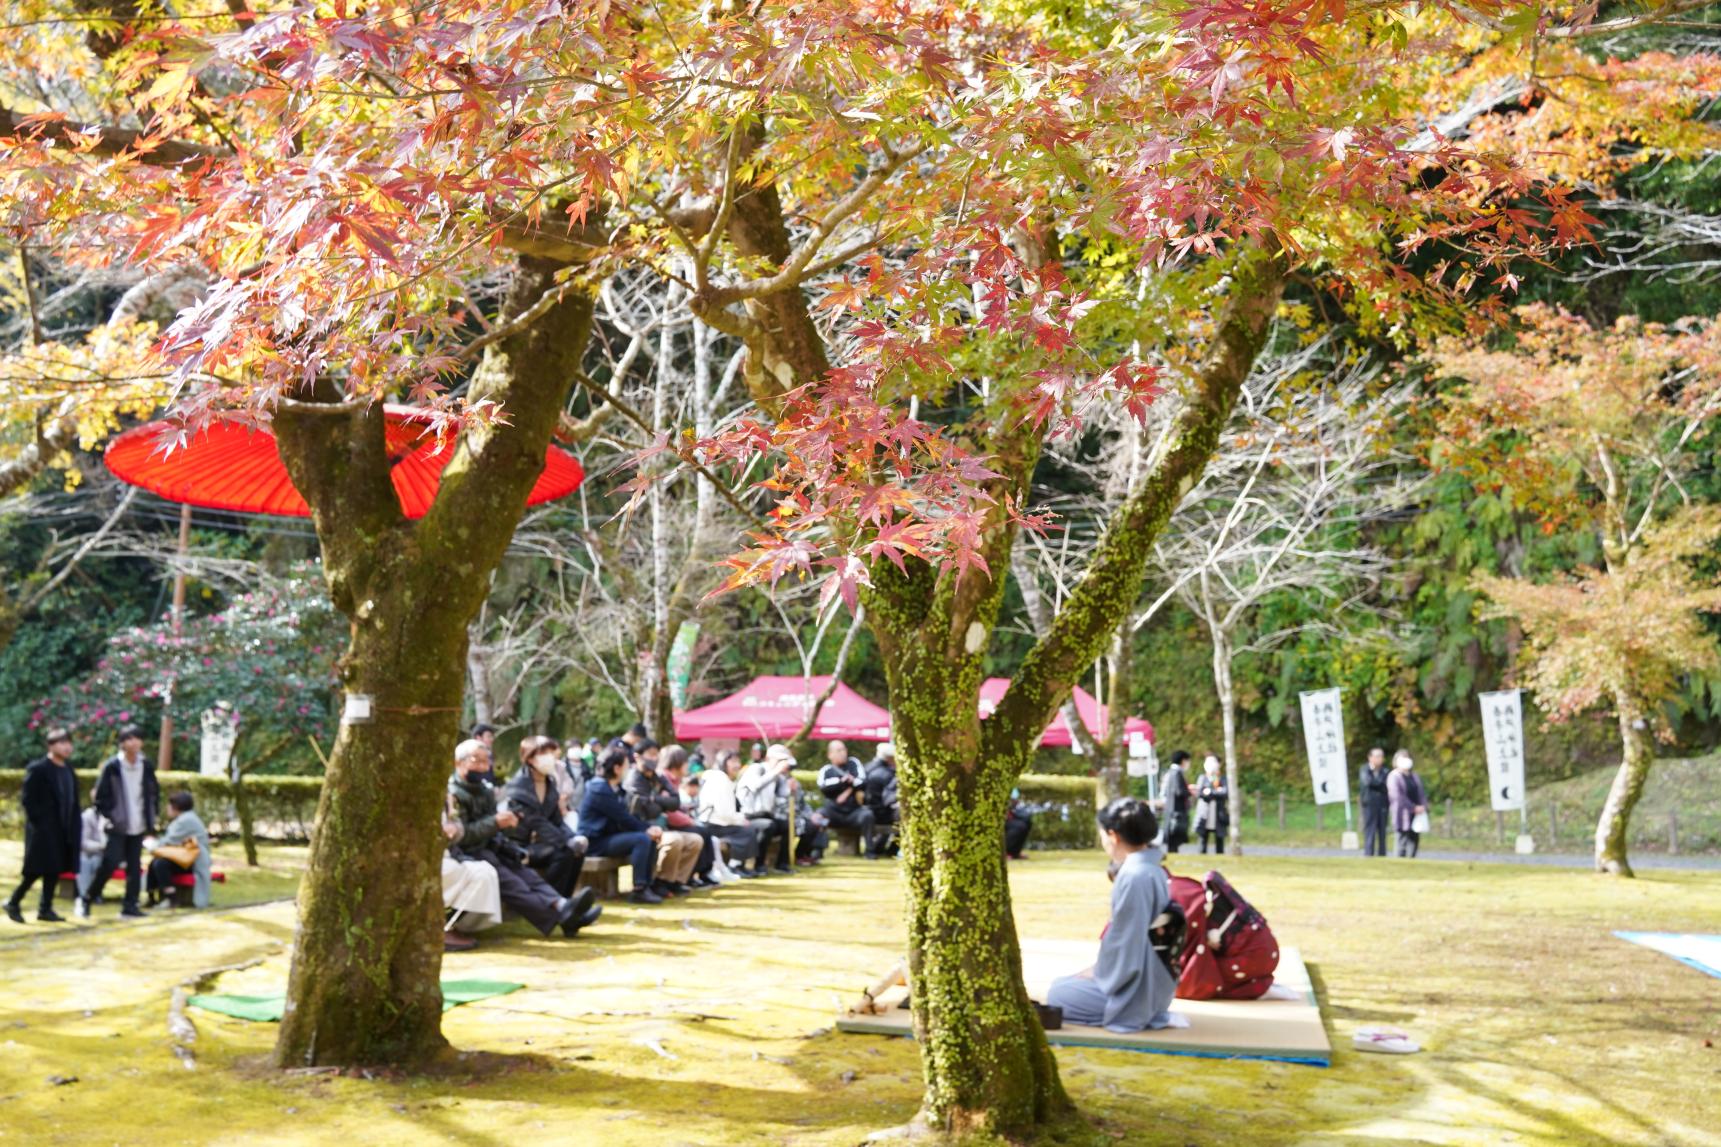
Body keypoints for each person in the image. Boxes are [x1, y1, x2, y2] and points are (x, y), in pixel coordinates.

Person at [1045, 798, 1177, 1032]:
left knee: (1058, 992)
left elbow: (1126, 942)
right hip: (1156, 981)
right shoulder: (1153, 870)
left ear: (1113, 836)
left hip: (1135, 992)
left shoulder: (1134, 876)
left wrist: (1099, 974)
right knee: (1068, 983)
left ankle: (1127, 1010)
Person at [448, 739, 592, 934]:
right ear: (459, 762)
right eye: (476, 761)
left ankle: (562, 905)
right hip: (470, 853)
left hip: (495, 847)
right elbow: (460, 835)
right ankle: (563, 918)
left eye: (486, 761)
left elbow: (553, 821)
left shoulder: (485, 790)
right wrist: (496, 823)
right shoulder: (453, 794)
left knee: (529, 876)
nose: (482, 767)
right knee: (514, 884)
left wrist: (505, 841)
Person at [503, 736, 598, 925]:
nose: (550, 757)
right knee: (564, 851)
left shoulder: (549, 783)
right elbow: (536, 823)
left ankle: (569, 908)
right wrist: (566, 841)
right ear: (529, 758)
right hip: (518, 847)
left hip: (542, 843)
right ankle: (560, 910)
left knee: (576, 851)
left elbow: (556, 820)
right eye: (544, 753)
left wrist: (574, 838)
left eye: (551, 752)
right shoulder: (518, 788)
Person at [81, 724, 160, 918]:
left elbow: (154, 794)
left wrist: (151, 819)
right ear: (122, 743)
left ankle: (130, 905)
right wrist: (111, 816)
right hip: (117, 825)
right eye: (129, 738)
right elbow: (100, 797)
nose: (134, 742)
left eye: (137, 738)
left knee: (134, 866)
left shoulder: (146, 765)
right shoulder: (112, 767)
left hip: (138, 824)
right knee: (110, 863)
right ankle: (87, 898)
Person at [7, 727, 79, 923]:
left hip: (63, 828)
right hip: (43, 830)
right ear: (50, 745)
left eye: (68, 742)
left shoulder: (68, 770)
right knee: (35, 870)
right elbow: (28, 800)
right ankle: (14, 901)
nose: (66, 747)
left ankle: (45, 909)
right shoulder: (38, 769)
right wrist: (39, 823)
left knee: (54, 869)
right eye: (61, 742)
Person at [579, 747, 667, 904]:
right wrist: (646, 829)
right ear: (617, 768)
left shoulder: (615, 788)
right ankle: (639, 889)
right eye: (627, 765)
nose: (629, 768)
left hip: (610, 836)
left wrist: (649, 828)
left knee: (648, 837)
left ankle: (647, 885)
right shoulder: (598, 788)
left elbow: (629, 817)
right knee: (642, 839)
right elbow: (622, 817)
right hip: (595, 841)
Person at [622, 741, 703, 895]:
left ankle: (674, 881)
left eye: (656, 754)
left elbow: (675, 801)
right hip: (643, 828)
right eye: (650, 754)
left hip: (660, 827)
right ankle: (659, 882)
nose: (654, 758)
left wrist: (654, 799)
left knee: (695, 840)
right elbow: (646, 810)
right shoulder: (633, 779)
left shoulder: (657, 776)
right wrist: (662, 803)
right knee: (675, 840)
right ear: (637, 757)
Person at [694, 750, 763, 878]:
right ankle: (735, 865)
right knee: (749, 830)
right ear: (723, 762)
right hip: (714, 824)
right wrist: (741, 819)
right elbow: (725, 813)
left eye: (738, 761)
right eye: (733, 761)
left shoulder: (719, 778)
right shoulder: (721, 780)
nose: (737, 765)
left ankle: (738, 865)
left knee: (751, 828)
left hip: (715, 822)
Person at [659, 746, 721, 887]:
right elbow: (669, 811)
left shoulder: (674, 780)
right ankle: (696, 875)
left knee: (703, 832)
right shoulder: (665, 780)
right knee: (700, 832)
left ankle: (699, 874)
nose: (688, 766)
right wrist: (689, 820)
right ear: (677, 763)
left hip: (676, 821)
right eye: (685, 762)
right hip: (667, 824)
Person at [146, 791, 213, 909]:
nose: (167, 808)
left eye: (169, 805)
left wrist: (151, 844)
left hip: (193, 861)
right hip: (185, 857)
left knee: (160, 864)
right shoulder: (185, 818)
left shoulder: (186, 820)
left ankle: (171, 898)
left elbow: (169, 840)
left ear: (176, 807)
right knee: (155, 862)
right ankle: (151, 898)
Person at [738, 744, 797, 874]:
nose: (783, 764)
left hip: (767, 814)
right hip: (749, 815)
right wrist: (775, 772)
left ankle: (782, 864)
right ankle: (759, 865)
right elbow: (754, 786)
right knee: (768, 826)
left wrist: (790, 789)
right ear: (769, 758)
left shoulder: (779, 776)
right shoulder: (757, 768)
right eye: (780, 760)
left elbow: (782, 796)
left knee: (787, 825)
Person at [818, 739, 880, 859]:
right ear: (830, 754)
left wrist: (849, 787)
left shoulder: (853, 763)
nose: (843, 753)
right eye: (838, 750)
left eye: (844, 749)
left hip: (853, 812)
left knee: (868, 815)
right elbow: (824, 788)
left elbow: (863, 781)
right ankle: (817, 850)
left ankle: (870, 850)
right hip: (833, 812)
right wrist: (842, 782)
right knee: (819, 816)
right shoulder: (827, 770)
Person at [1387, 749, 1429, 858]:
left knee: (1414, 840)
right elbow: (1397, 796)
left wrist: (1422, 806)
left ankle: (1411, 860)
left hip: (1417, 813)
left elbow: (1421, 793)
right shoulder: (1394, 776)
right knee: (1401, 840)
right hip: (1402, 813)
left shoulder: (1414, 776)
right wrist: (1412, 807)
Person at [863, 743, 900, 855]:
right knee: (901, 815)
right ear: (890, 758)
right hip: (882, 812)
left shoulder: (866, 768)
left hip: (867, 810)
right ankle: (892, 850)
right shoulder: (890, 773)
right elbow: (888, 799)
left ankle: (880, 848)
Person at [1157, 750, 1193, 853]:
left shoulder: (1170, 772)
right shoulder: (1176, 773)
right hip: (1176, 811)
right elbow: (1179, 791)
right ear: (1183, 761)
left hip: (1170, 810)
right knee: (1174, 840)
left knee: (1172, 840)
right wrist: (1190, 791)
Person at [1358, 747, 1391, 858]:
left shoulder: (1386, 771)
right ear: (1370, 757)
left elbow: (1386, 785)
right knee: (1369, 830)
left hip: (1383, 804)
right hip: (1369, 804)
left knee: (1382, 831)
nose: (1379, 759)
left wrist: (1378, 784)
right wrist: (1379, 783)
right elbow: (1368, 782)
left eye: (1381, 756)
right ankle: (1368, 853)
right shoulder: (1364, 769)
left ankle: (1382, 854)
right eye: (1377, 756)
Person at [1195, 754, 1229, 855]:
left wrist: (1209, 792)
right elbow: (1200, 793)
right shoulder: (1202, 778)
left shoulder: (1222, 779)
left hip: (1218, 814)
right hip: (1205, 814)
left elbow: (1225, 793)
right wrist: (1215, 791)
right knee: (1202, 840)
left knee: (1220, 841)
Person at [1005, 788, 1033, 859]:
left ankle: (1015, 852)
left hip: (1011, 815)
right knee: (1019, 827)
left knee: (1026, 823)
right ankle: (1007, 852)